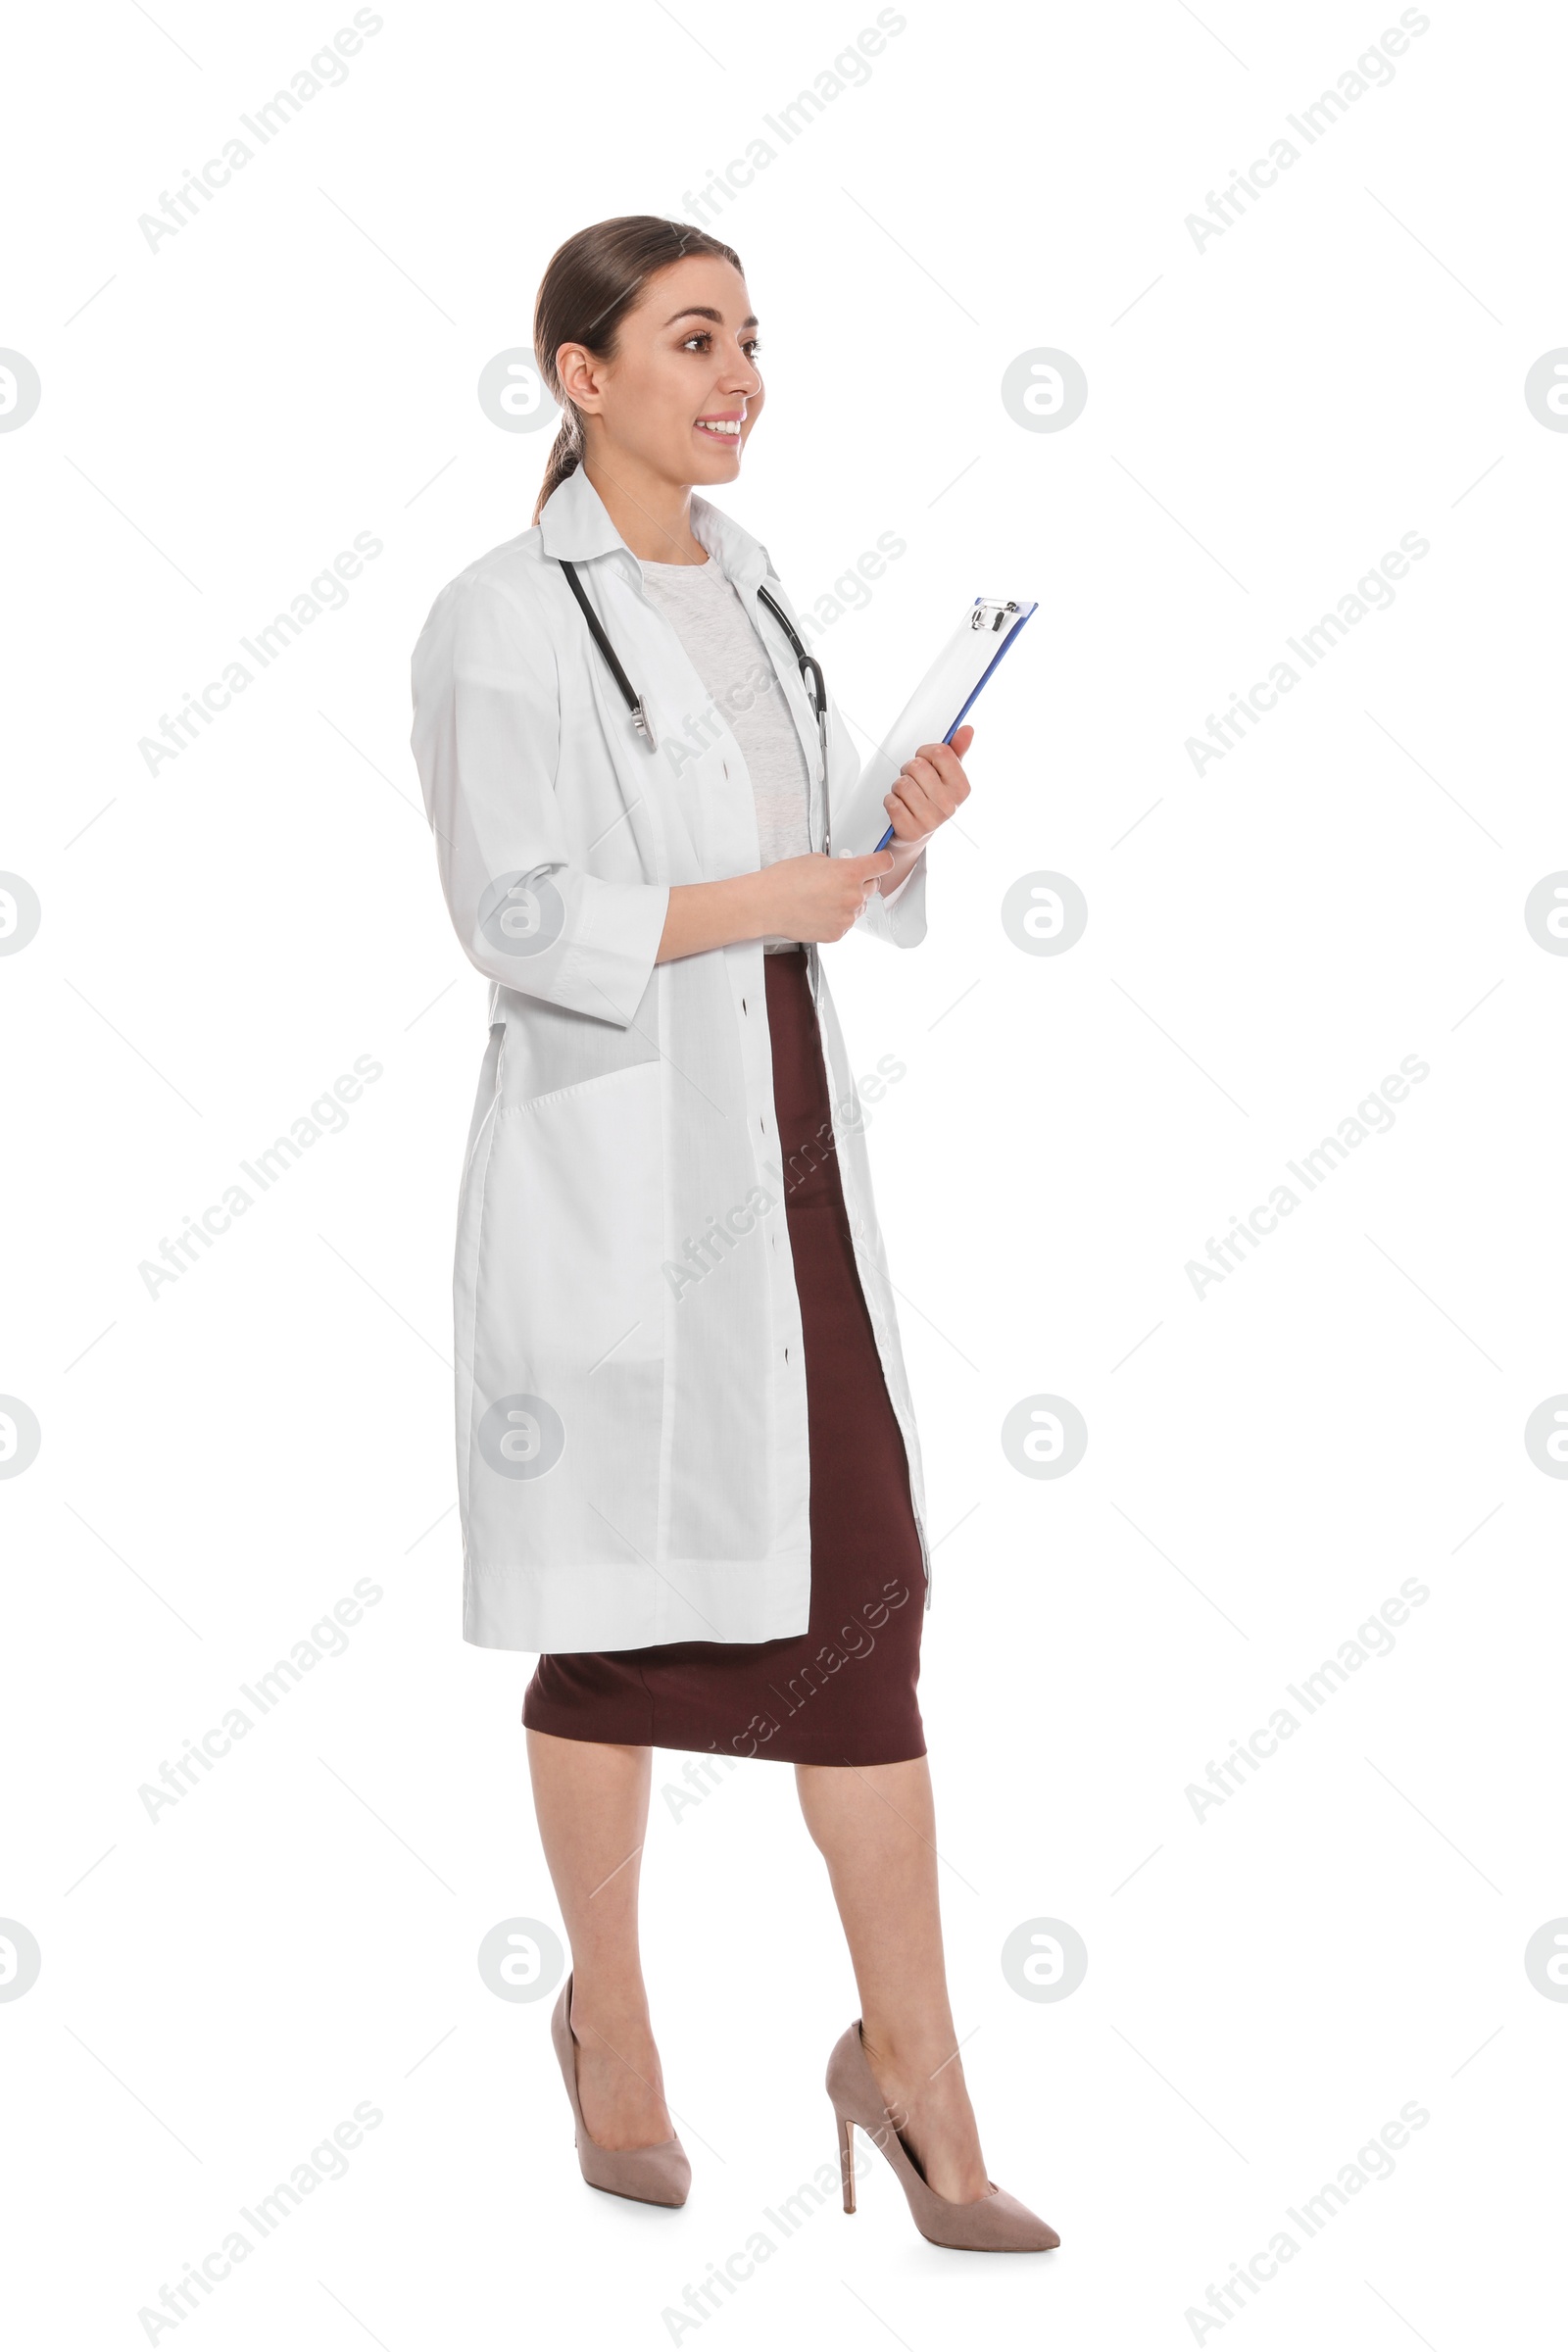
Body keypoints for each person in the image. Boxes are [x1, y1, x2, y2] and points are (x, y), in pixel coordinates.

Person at [410, 215, 1056, 2253]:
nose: (740, 372)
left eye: (752, 338)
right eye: (693, 339)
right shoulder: (499, 620)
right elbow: (512, 918)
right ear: (579, 376)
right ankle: (609, 2028)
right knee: (620, 1626)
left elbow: (780, 869)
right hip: (618, 1175)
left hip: (778, 1142)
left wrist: (888, 821)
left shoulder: (755, 593)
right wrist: (763, 904)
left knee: (861, 1605)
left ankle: (912, 2070)